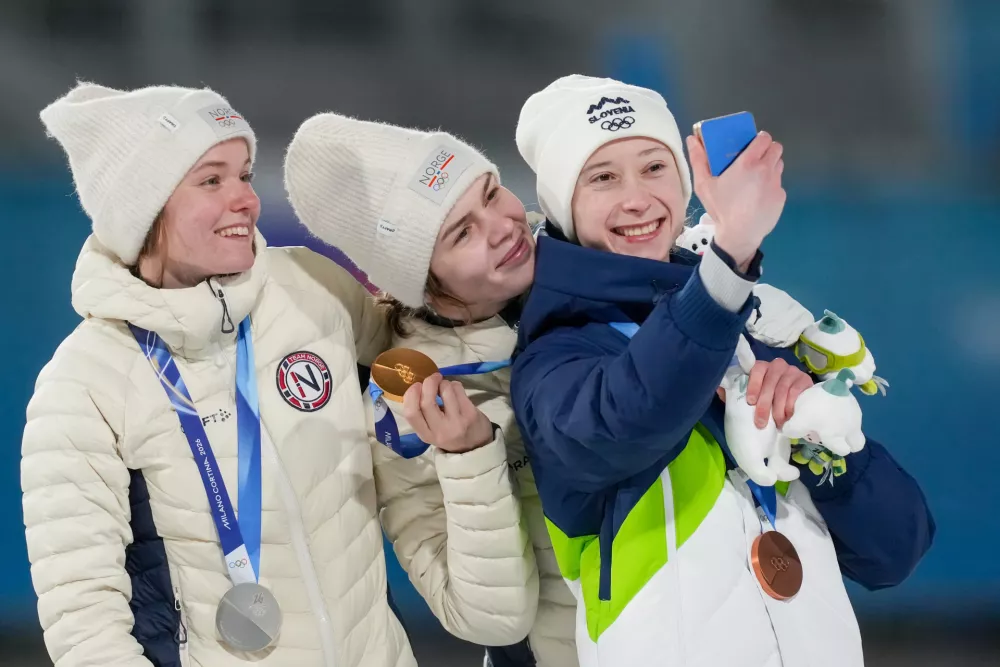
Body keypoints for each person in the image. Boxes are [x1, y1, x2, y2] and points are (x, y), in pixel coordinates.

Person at [510, 75, 935, 667]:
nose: (637, 198)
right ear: (563, 204)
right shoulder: (556, 356)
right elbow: (629, 416)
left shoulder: (751, 329)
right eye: (602, 177)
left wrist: (824, 438)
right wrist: (729, 263)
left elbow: (896, 550)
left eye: (654, 167)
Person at [21, 83, 415, 667]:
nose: (246, 200)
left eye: (246, 175)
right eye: (212, 180)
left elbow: (422, 367)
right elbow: (84, 625)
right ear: (145, 208)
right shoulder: (82, 384)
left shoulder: (311, 286)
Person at [284, 114, 578, 667]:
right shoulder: (406, 406)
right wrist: (469, 458)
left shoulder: (594, 260)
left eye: (492, 193)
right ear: (424, 282)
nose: (503, 226)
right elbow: (490, 617)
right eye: (462, 232)